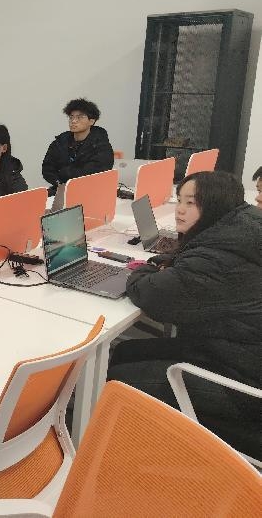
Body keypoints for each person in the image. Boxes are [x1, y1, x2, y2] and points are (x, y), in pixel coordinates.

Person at [107, 171, 262, 460]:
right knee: (127, 350)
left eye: (191, 203)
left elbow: (151, 295)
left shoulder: (219, 259)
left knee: (117, 378)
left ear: (214, 206)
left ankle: (127, 455)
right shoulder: (241, 227)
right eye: (179, 200)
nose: (180, 210)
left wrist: (144, 268)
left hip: (243, 389)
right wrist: (173, 262)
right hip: (232, 351)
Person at [41, 98, 114, 195]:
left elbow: (93, 174)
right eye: (71, 117)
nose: (74, 121)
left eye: (80, 117)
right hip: (61, 189)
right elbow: (47, 169)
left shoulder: (101, 145)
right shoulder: (60, 142)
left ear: (91, 121)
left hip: (91, 192)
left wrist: (64, 172)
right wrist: (59, 182)